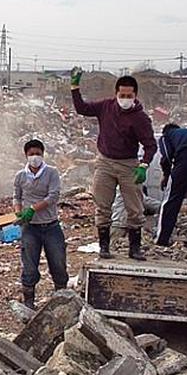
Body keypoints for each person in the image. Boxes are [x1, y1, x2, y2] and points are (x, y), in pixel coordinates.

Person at [71, 69, 157, 260]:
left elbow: (151, 145)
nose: (125, 99)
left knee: (135, 208)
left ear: (135, 96)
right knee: (102, 206)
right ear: (116, 94)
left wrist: (144, 165)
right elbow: (82, 109)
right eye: (122, 95)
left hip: (128, 164)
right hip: (105, 162)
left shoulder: (140, 118)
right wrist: (75, 87)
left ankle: (134, 248)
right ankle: (104, 246)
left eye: (129, 96)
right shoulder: (106, 107)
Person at [13, 139, 68, 310]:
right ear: (26, 156)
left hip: (50, 226)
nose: (34, 157)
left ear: (43, 155)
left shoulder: (51, 172)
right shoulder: (21, 176)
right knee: (29, 265)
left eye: (37, 154)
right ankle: (29, 302)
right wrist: (19, 211)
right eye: (31, 154)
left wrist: (32, 209)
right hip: (30, 228)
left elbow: (53, 196)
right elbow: (17, 196)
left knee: (58, 263)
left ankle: (62, 299)